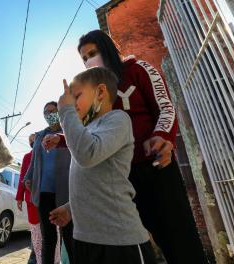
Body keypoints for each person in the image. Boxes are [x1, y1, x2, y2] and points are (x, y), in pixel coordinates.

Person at [75, 30, 207, 264]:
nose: (88, 61)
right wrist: (62, 139)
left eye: (92, 53)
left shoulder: (138, 69)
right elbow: (91, 134)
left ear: (107, 49)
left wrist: (162, 136)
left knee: (180, 241)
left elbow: (165, 107)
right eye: (84, 58)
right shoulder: (96, 93)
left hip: (156, 168)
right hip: (120, 181)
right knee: (134, 249)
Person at [49, 67, 156, 264]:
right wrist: (70, 208)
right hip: (84, 241)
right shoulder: (85, 132)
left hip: (119, 243)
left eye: (76, 96)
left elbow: (87, 155)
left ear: (100, 92)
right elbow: (94, 181)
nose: (71, 102)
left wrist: (65, 110)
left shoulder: (118, 119)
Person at [24, 101, 73, 264]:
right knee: (48, 238)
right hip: (44, 192)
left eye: (52, 111)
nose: (49, 115)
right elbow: (34, 161)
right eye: (46, 112)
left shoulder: (68, 133)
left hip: (65, 192)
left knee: (69, 236)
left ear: (59, 112)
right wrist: (28, 178)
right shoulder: (39, 135)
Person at [16, 134, 61, 264]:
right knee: (42, 234)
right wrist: (19, 197)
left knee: (47, 234)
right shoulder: (29, 157)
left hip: (47, 199)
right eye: (31, 141)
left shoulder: (50, 154)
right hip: (35, 201)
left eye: (34, 140)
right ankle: (49, 260)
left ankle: (50, 260)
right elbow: (23, 179)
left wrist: (20, 197)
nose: (32, 143)